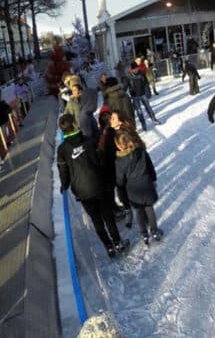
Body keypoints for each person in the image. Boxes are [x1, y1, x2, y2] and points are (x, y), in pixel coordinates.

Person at [57, 114, 128, 258]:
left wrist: (64, 185)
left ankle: (109, 247)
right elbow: (100, 160)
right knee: (107, 216)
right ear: (75, 124)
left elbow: (63, 172)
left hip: (82, 192)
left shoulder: (62, 149)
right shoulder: (89, 141)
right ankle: (118, 242)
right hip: (98, 185)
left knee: (96, 220)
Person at [114, 130, 162, 245]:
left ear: (120, 146)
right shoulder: (141, 152)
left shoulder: (119, 161)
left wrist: (121, 194)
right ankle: (154, 231)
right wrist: (154, 179)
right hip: (146, 186)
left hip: (133, 191)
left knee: (139, 212)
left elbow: (120, 180)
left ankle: (144, 234)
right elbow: (150, 167)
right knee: (149, 209)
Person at [126, 62, 161, 131]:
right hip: (135, 96)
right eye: (133, 69)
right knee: (139, 111)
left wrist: (147, 91)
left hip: (143, 94)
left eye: (136, 68)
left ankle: (154, 119)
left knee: (148, 107)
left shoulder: (142, 74)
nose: (135, 70)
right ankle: (143, 124)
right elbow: (125, 86)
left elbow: (146, 83)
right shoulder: (129, 77)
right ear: (131, 70)